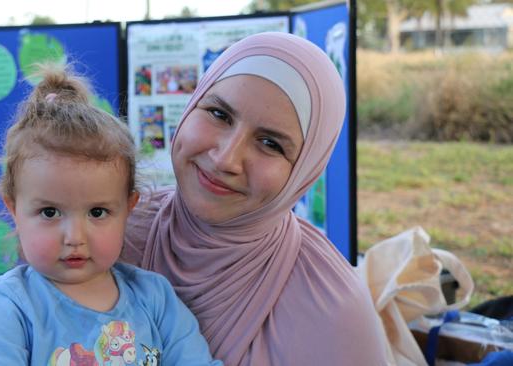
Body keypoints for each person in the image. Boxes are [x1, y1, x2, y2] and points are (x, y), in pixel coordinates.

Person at [122, 32, 390, 365]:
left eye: (270, 144)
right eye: (219, 114)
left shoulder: (331, 311)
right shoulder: (108, 232)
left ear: (304, 171)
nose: (225, 160)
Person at [0, 67, 222, 366]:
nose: (75, 237)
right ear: (14, 211)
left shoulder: (155, 298)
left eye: (97, 212)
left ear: (128, 208)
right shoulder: (9, 306)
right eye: (50, 212)